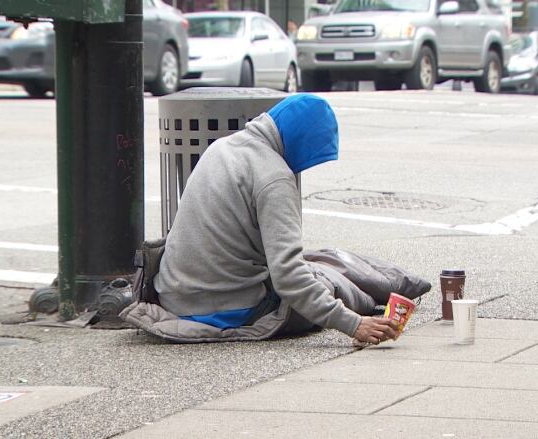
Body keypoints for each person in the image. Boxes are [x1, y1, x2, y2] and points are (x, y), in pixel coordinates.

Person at [135, 94, 430, 345]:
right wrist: (353, 324)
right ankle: (397, 291)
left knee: (318, 259)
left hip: (175, 297)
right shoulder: (273, 177)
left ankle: (401, 285)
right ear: (304, 143)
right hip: (230, 308)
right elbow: (289, 277)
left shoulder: (221, 148)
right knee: (326, 277)